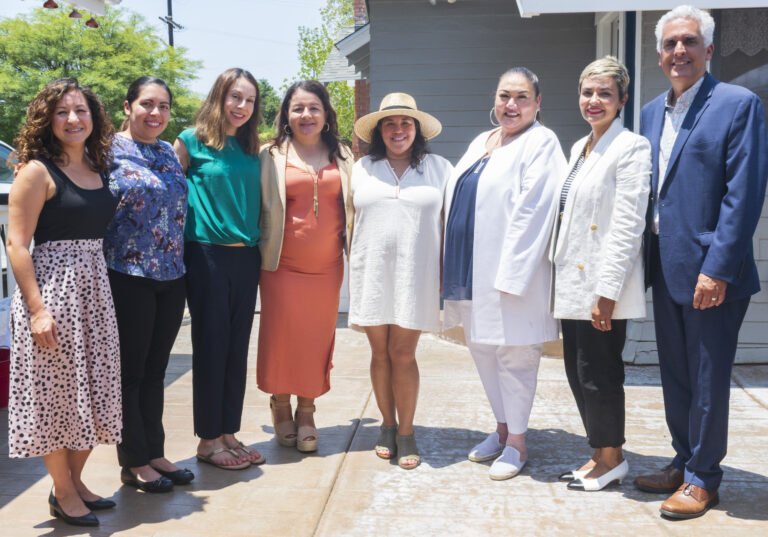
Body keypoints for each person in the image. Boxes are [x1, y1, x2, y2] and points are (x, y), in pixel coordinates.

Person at [634, 5, 768, 519]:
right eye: (669, 44)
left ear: (708, 49)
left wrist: (718, 267)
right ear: (660, 52)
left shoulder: (738, 104)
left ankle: (703, 479)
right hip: (666, 267)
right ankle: (684, 459)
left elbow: (743, 193)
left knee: (708, 380)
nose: (678, 52)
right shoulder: (649, 112)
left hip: (712, 273)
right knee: (677, 377)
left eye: (689, 42)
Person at [442, 67, 566, 480]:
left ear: (537, 103)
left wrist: (513, 276)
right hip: (470, 268)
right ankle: (500, 429)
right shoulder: (483, 140)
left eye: (521, 97)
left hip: (510, 274)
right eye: (504, 96)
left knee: (515, 354)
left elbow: (534, 210)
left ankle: (517, 443)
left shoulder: (541, 142)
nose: (511, 105)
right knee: (481, 347)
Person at [7, 78, 120, 527]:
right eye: (62, 112)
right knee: (55, 398)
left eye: (81, 111)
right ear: (47, 120)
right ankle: (63, 489)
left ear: (94, 118)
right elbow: (17, 244)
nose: (73, 120)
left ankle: (74, 484)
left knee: (94, 391)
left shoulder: (99, 165)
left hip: (95, 293)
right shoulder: (36, 170)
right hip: (53, 293)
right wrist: (37, 309)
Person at [550, 57, 651, 491]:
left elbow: (629, 223)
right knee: (577, 370)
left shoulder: (631, 147)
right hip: (572, 281)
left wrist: (607, 291)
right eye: (588, 93)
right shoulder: (581, 147)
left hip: (602, 284)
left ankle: (612, 458)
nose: (594, 101)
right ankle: (598, 453)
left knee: (600, 372)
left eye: (605, 94)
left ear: (622, 100)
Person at [349, 93, 452, 469]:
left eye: (405, 123)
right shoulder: (362, 168)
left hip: (418, 275)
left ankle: (407, 432)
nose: (398, 130)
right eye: (389, 123)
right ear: (379, 131)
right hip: (372, 272)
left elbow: (452, 223)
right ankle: (387, 426)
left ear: (417, 129)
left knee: (403, 354)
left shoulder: (439, 168)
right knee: (379, 353)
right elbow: (347, 221)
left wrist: (448, 272)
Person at [104, 77, 192, 492]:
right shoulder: (106, 151)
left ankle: (155, 451)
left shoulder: (167, 152)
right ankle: (134, 460)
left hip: (171, 275)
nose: (155, 113)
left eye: (163, 106)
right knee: (131, 373)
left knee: (157, 370)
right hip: (128, 275)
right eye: (146, 104)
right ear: (127, 106)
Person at [173, 68, 263, 470]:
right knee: (211, 347)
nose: (242, 106)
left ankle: (228, 431)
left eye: (249, 100)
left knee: (235, 349)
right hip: (206, 254)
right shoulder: (190, 142)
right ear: (219, 97)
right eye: (235, 97)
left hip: (247, 256)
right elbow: (163, 193)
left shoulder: (250, 148)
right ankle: (208, 441)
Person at [257, 80, 354, 453]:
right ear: (286, 114)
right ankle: (282, 407)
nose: (306, 115)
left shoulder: (343, 155)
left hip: (327, 268)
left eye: (313, 107)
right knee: (282, 337)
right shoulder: (270, 155)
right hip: (281, 265)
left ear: (326, 113)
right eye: (297, 108)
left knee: (317, 339)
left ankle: (308, 410)